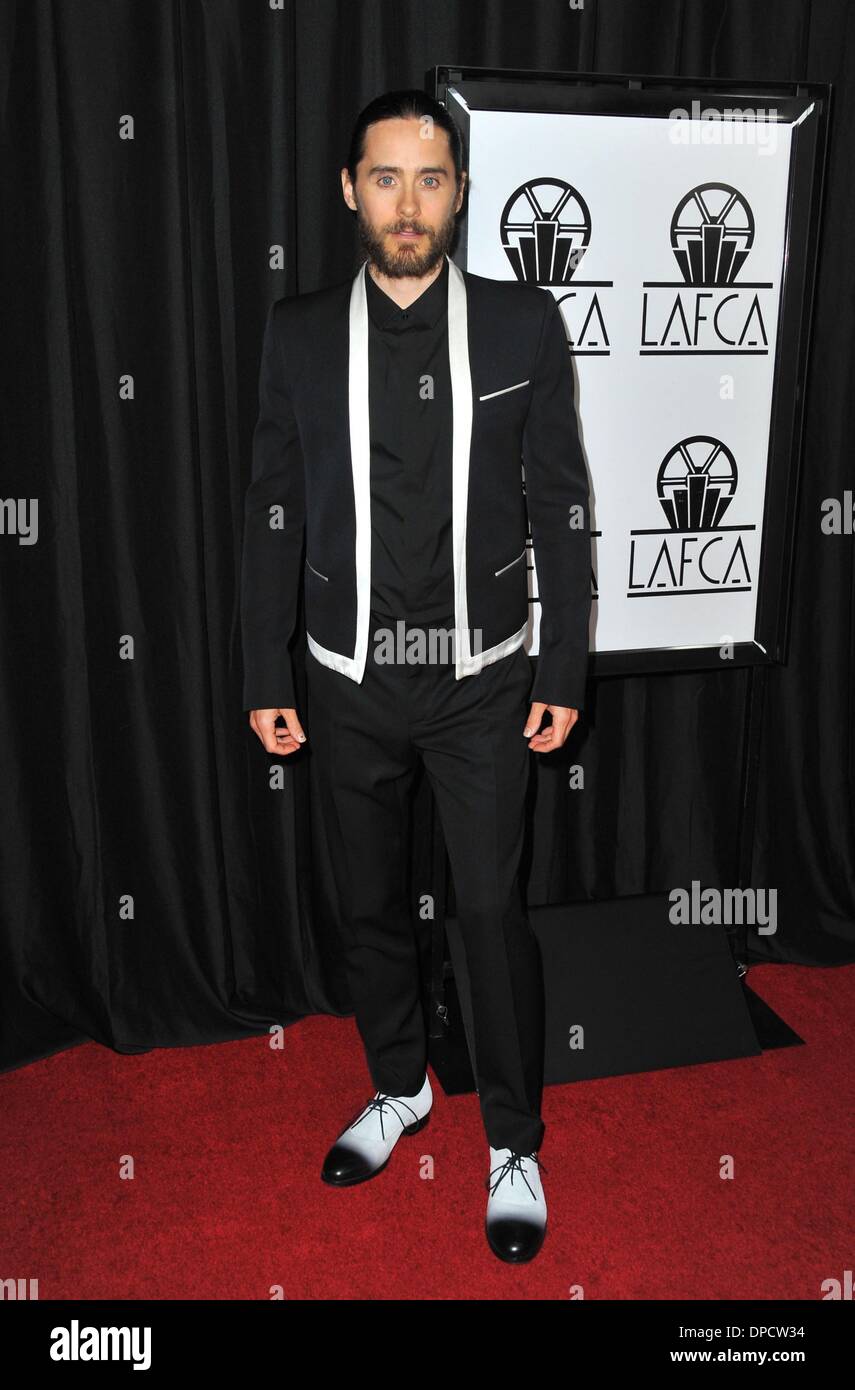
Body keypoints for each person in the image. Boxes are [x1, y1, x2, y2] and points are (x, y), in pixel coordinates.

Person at [239, 88, 591, 1263]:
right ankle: (399, 1086)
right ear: (350, 190)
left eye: (431, 179)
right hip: (346, 681)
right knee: (369, 906)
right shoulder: (294, 332)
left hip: (484, 680)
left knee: (490, 916)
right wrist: (263, 665)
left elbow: (562, 506)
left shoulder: (520, 324)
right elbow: (271, 515)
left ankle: (513, 1140)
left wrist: (565, 659)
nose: (408, 203)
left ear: (460, 193)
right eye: (385, 178)